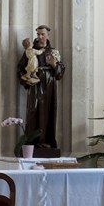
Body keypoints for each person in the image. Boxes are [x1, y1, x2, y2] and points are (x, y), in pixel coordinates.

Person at [18, 25, 65, 155]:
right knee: (34, 112)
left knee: (48, 113)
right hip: (36, 85)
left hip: (50, 86)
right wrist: (26, 79)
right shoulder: (30, 50)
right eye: (38, 34)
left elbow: (60, 73)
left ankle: (47, 141)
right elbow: (21, 67)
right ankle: (33, 142)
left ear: (48, 35)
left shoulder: (53, 52)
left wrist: (54, 65)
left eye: (42, 34)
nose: (39, 37)